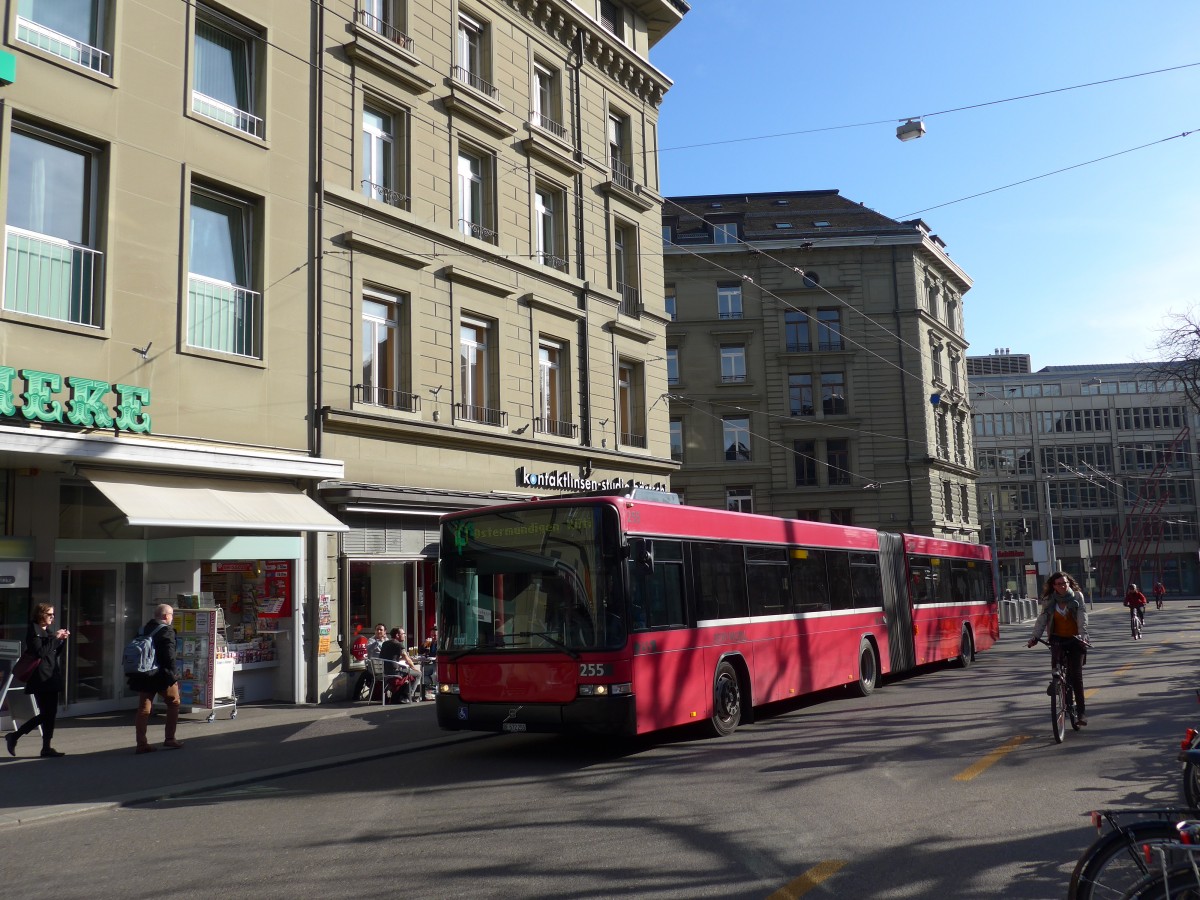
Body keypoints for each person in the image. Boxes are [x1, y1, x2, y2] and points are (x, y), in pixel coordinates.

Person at [1027, 571, 1090, 726]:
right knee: (1057, 667)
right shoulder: (1048, 599)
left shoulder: (1077, 596)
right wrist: (1035, 637)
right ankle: (1056, 683)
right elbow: (1042, 619)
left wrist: (1083, 635)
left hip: (1076, 639)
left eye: (1066, 583)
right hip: (1057, 638)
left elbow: (1082, 617)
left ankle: (1081, 713)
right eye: (1060, 583)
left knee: (1076, 676)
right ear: (1053, 586)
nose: (1064, 586)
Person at [6, 602, 69, 758]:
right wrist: (55, 638)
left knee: (50, 713)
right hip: (40, 678)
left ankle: (46, 747)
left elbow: (52, 653)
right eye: (49, 614)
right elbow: (40, 652)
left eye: (53, 614)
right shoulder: (34, 631)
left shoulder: (46, 630)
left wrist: (61, 640)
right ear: (40, 614)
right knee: (46, 713)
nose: (52, 617)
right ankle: (15, 736)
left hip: (51, 675)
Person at [127, 603, 183, 754]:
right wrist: (174, 675)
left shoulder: (143, 629)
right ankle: (170, 738)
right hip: (161, 675)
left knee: (144, 709)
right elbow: (169, 656)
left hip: (143, 674)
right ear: (166, 616)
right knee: (173, 703)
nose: (172, 618)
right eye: (172, 615)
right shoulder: (166, 631)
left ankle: (141, 743)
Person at [380, 627, 420, 703]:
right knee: (418, 674)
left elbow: (389, 658)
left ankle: (403, 695)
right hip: (395, 672)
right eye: (403, 634)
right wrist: (414, 668)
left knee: (409, 671)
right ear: (397, 635)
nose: (405, 635)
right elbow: (407, 659)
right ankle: (407, 696)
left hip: (385, 671)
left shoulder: (385, 643)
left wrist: (401, 659)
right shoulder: (398, 645)